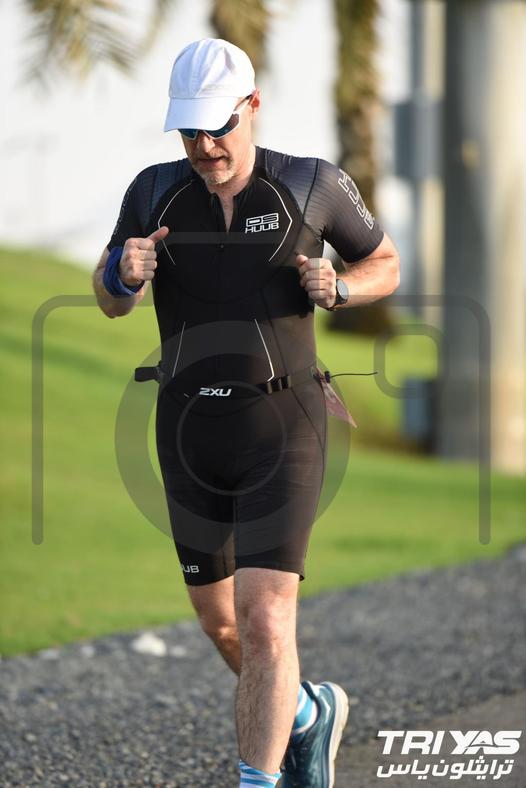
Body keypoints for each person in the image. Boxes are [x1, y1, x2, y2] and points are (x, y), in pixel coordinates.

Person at [93, 38, 399, 788]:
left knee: (265, 616)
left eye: (217, 127)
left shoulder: (312, 183)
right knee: (220, 620)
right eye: (189, 131)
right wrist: (121, 275)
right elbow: (109, 297)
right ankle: (307, 713)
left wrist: (342, 288)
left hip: (284, 425)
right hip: (187, 431)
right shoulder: (152, 191)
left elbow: (384, 262)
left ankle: (258, 779)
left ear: (252, 106)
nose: (204, 147)